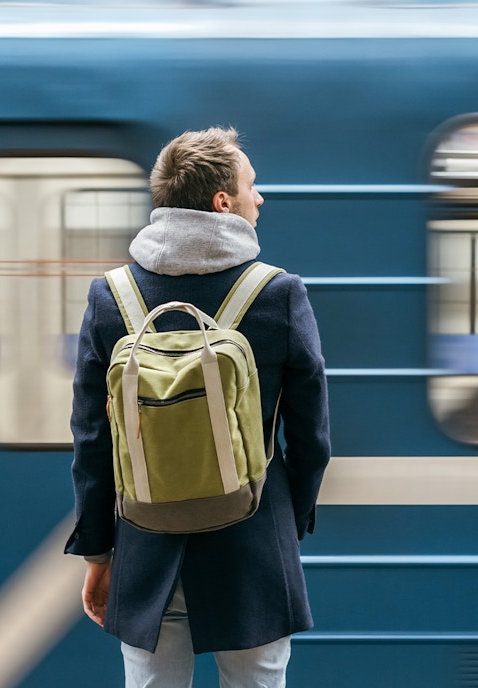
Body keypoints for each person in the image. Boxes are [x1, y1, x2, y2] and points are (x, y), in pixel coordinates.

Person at [65, 126, 331, 687]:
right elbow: (310, 436)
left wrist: (97, 551)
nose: (260, 198)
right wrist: (289, 514)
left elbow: (93, 441)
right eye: (252, 187)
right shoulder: (278, 295)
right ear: (223, 202)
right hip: (252, 542)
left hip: (147, 545)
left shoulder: (110, 298)